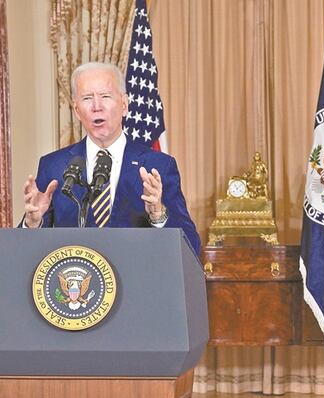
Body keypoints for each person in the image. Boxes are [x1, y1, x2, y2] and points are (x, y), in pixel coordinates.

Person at [21, 62, 200, 255]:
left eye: (105, 96)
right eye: (87, 98)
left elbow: (191, 246)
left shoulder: (158, 166)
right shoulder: (53, 166)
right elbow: (26, 250)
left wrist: (158, 214)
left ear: (124, 105)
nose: (97, 106)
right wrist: (33, 223)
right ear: (76, 110)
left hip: (137, 281)